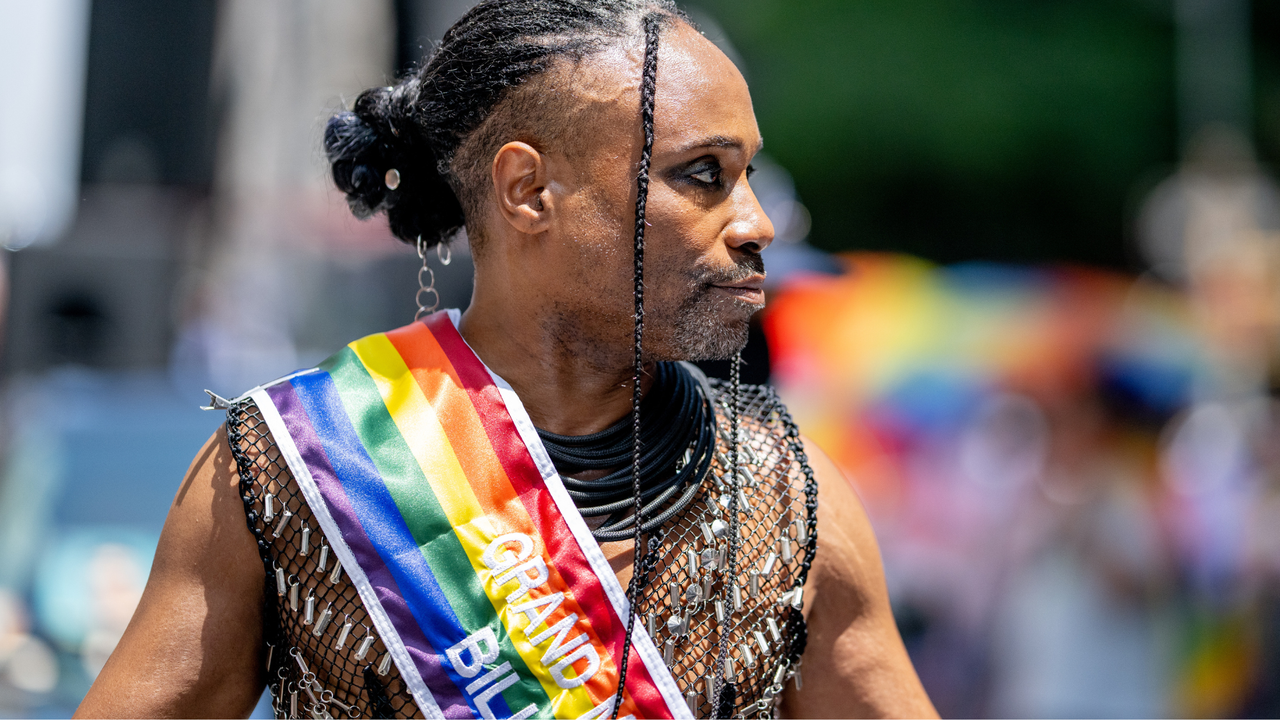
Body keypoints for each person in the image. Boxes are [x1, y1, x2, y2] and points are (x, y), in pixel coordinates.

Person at [75, 1, 934, 717]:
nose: (756, 224)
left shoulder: (789, 496)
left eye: (747, 173)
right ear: (528, 190)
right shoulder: (301, 465)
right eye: (703, 174)